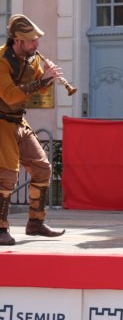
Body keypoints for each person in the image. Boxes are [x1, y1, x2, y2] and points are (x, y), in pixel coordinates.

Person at [0, 14, 66, 245]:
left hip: (18, 120)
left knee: (42, 168)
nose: (36, 45)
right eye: (31, 40)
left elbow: (37, 91)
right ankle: (1, 228)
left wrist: (48, 79)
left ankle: (35, 223)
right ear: (17, 40)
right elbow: (9, 95)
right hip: (1, 121)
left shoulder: (33, 59)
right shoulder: (1, 60)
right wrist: (41, 81)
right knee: (7, 175)